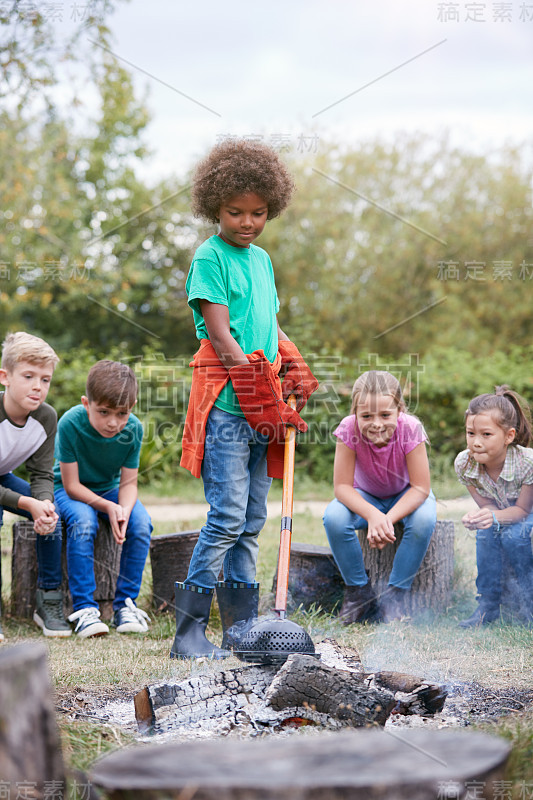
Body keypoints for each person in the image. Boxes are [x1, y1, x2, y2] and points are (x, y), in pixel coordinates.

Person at [172, 138, 318, 659]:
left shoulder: (262, 260)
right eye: (236, 212)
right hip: (231, 411)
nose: (247, 222)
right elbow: (221, 335)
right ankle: (187, 634)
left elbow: (268, 322)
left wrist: (292, 361)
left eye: (258, 212)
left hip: (264, 410)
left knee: (253, 519)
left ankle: (243, 631)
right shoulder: (209, 258)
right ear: (215, 206)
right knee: (227, 516)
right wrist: (259, 392)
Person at [323, 370, 437, 623]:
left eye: (386, 415)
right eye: (366, 416)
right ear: (355, 413)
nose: (377, 423)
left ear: (400, 411)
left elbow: (420, 488)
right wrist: (373, 514)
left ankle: (396, 595)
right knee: (334, 517)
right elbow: (342, 487)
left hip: (407, 495)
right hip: (366, 497)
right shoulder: (348, 429)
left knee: (424, 521)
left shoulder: (411, 429)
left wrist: (386, 520)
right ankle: (358, 592)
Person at [53, 360, 152, 638]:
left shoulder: (133, 429)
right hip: (68, 489)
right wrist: (108, 506)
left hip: (110, 489)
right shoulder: (71, 423)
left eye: (122, 413)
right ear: (87, 403)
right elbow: (71, 485)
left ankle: (126, 605)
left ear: (131, 409)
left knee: (141, 524)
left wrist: (122, 510)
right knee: (84, 522)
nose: (113, 422)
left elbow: (129, 484)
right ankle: (85, 609)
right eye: (104, 412)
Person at [0, 331, 71, 640]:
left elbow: (42, 474)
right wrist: (24, 502)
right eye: (28, 376)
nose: (37, 386)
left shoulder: (45, 418)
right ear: (5, 376)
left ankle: (49, 601)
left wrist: (41, 504)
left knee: (49, 513)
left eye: (45, 379)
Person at [455, 386, 533, 627]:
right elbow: (487, 505)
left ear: (508, 436)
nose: (476, 442)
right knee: (485, 534)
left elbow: (522, 511)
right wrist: (480, 517)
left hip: (528, 511)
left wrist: (494, 516)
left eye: (486, 435)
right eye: (470, 433)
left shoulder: (526, 462)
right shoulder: (465, 464)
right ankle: (487, 605)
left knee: (516, 536)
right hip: (505, 512)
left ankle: (527, 602)